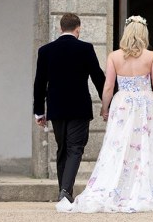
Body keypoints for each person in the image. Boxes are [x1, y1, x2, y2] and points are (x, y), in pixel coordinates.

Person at [56, 15, 153, 213]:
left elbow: (108, 86)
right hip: (145, 105)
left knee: (118, 146)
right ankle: (142, 190)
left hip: (122, 103)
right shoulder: (151, 57)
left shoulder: (114, 56)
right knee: (144, 147)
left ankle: (115, 189)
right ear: (143, 33)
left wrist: (105, 108)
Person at [33, 13, 105, 204]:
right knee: (75, 148)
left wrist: (39, 111)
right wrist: (110, 101)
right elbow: (98, 77)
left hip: (56, 108)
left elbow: (39, 83)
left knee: (63, 148)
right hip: (79, 107)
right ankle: (65, 191)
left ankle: (64, 192)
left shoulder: (46, 50)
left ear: (60, 28)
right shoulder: (86, 49)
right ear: (78, 29)